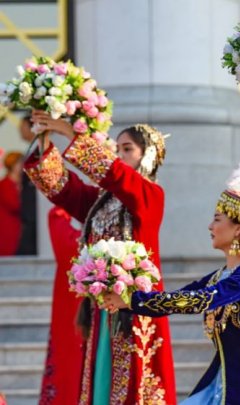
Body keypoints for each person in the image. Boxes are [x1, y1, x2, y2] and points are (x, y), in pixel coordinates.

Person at [103, 152, 240, 404]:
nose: (210, 226)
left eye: (217, 220)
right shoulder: (222, 276)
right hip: (229, 382)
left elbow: (199, 300)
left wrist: (133, 301)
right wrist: (129, 299)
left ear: (238, 228)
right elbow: (182, 297)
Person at [23, 112, 176, 404]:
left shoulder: (149, 195)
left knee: (133, 385)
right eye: (116, 149)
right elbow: (64, 189)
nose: (119, 155)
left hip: (135, 309)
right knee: (101, 385)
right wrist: (45, 139)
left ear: (149, 155)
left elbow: (117, 175)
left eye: (127, 149)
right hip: (102, 307)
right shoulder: (100, 203)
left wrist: (72, 134)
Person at [39, 206, 84, 404]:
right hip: (74, 319)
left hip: (71, 320)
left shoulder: (71, 239)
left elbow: (57, 215)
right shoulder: (91, 246)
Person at [16, 116, 38, 255]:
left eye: (22, 126)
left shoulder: (39, 149)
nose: (20, 130)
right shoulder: (31, 148)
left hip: (35, 206)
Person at [0, 151, 23, 256]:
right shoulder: (5, 185)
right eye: (20, 163)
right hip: (8, 230)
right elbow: (14, 205)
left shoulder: (21, 184)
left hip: (19, 229)